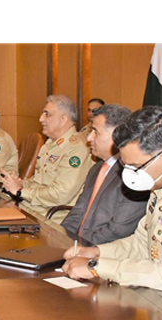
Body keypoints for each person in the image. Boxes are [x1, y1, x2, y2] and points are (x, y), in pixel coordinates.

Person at [63, 106, 162, 315]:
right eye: (126, 167)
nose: (131, 176)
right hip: (161, 306)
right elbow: (142, 243)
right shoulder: (161, 182)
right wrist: (96, 251)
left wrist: (96, 266)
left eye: (137, 167)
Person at [61, 104, 149, 245]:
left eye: (95, 132)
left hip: (103, 254)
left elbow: (117, 231)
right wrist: (61, 240)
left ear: (116, 135)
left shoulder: (134, 176)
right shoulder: (96, 169)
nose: (89, 138)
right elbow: (77, 213)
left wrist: (81, 249)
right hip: (77, 247)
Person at [1, 95, 93, 221]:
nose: (40, 119)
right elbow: (38, 181)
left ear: (63, 119)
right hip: (32, 209)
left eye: (47, 114)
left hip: (51, 218)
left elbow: (60, 194)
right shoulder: (50, 144)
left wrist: (21, 191)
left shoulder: (76, 149)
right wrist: (17, 183)